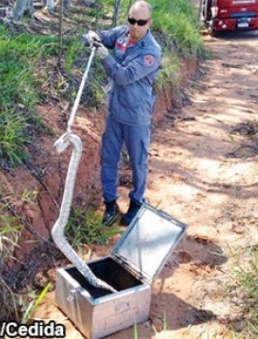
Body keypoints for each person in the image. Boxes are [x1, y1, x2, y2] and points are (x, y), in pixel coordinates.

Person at [83, 0, 162, 226]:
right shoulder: (122, 34)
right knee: (109, 159)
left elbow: (124, 76)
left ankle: (137, 202)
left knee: (137, 162)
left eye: (140, 22)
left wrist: (104, 57)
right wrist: (91, 36)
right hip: (115, 112)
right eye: (131, 20)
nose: (134, 26)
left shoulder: (151, 52)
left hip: (136, 117)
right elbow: (102, 37)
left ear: (149, 23)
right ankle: (110, 203)